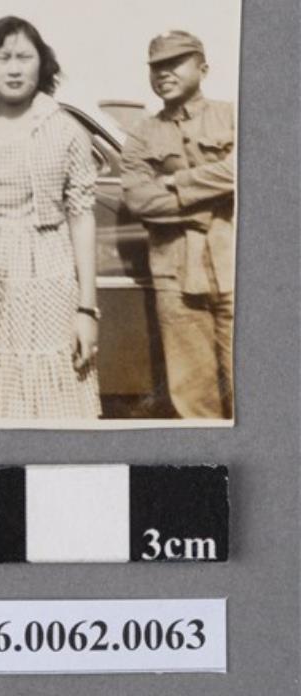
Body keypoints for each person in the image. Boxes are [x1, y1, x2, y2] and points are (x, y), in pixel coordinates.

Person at [0, 16, 101, 421]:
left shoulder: (67, 132)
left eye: (24, 57)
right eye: (3, 57)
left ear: (41, 64)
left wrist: (86, 310)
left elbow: (82, 218)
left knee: (51, 401)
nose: (14, 69)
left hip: (48, 281)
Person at [120, 30, 235, 419]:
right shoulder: (141, 134)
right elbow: (139, 199)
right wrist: (208, 204)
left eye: (174, 63)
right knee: (193, 399)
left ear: (203, 69)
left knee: (255, 391)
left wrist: (179, 182)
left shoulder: (233, 116)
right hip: (175, 277)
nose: (163, 73)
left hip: (236, 270)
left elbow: (246, 169)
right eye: (156, 67)